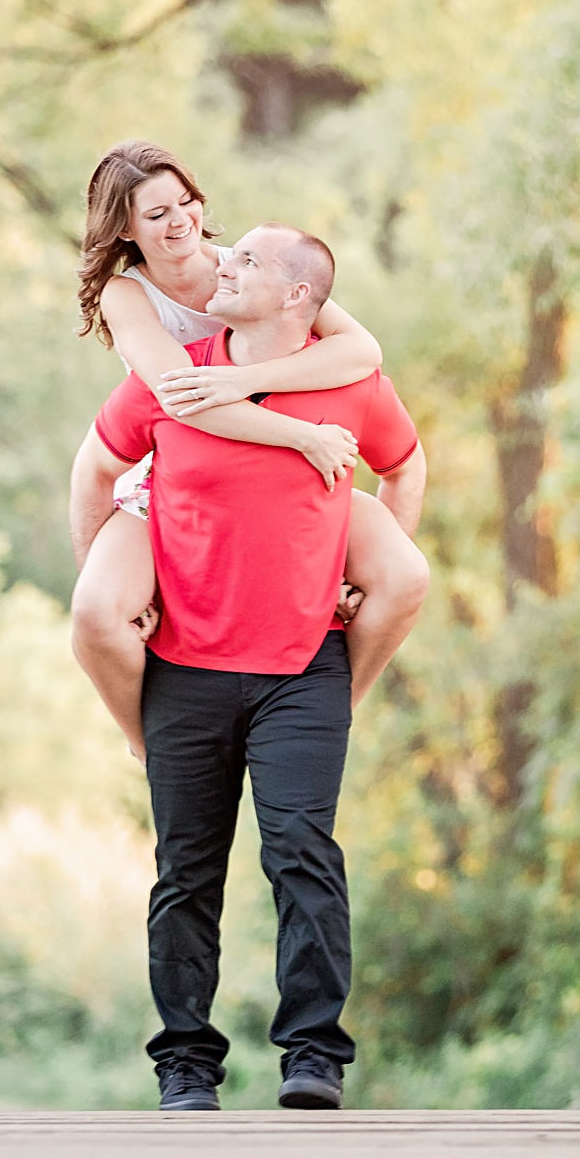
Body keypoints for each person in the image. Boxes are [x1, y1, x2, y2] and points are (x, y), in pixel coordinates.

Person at [68, 223, 427, 1113]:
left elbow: (407, 462)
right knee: (187, 870)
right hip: (183, 667)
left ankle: (314, 1059)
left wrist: (372, 561)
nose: (218, 265)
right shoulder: (177, 375)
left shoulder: (351, 382)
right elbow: (100, 467)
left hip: (304, 670)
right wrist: (115, 571)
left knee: (302, 855)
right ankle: (186, 1066)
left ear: (296, 296)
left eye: (246, 262)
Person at [71, 141, 430, 762]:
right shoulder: (125, 294)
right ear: (124, 227)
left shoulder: (245, 265)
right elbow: (180, 396)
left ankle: (328, 712)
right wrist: (301, 435)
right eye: (156, 215)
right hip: (184, 467)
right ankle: (147, 741)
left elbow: (362, 350)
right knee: (97, 612)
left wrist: (242, 382)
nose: (179, 220)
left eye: (185, 201)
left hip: (294, 474)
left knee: (404, 576)